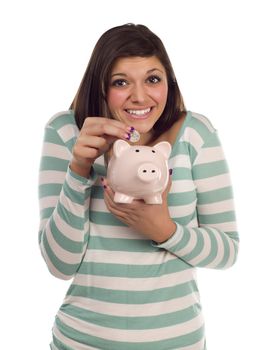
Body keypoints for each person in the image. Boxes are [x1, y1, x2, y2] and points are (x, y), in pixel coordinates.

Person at [38, 23, 239, 350]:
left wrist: (165, 229)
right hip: (82, 341)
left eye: (153, 79)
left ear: (168, 83)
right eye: (121, 83)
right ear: (100, 87)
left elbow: (228, 251)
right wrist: (79, 169)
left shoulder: (196, 133)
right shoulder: (66, 131)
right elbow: (59, 264)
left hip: (177, 341)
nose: (140, 97)